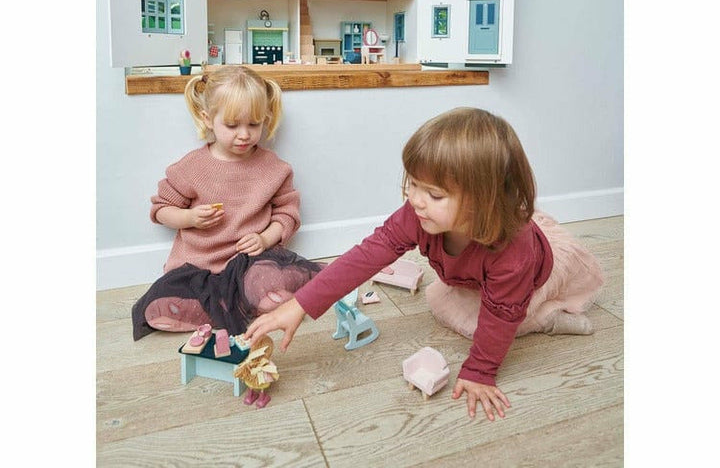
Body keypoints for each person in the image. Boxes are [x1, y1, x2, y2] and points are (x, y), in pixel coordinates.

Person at [243, 107, 604, 421]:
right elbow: (367, 255)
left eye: (434, 194)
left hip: (534, 279)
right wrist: (300, 304)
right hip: (478, 278)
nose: (415, 200)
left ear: (485, 202)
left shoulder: (512, 257)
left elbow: (501, 315)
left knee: (500, 322)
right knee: (440, 301)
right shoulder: (419, 214)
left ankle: (548, 318)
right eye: (413, 184)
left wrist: (480, 371)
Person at [131, 65, 323, 341]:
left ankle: (247, 299)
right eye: (232, 126)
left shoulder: (274, 168)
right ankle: (217, 307)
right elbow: (161, 209)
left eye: (254, 124)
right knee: (163, 297)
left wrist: (265, 238)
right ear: (208, 119)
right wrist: (189, 218)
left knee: (267, 277)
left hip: (250, 262)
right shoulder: (192, 167)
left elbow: (287, 214)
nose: (244, 135)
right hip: (199, 266)